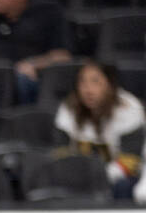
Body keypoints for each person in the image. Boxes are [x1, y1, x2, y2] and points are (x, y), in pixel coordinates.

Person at [54, 62, 145, 200]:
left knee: (124, 186)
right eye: (82, 82)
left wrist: (99, 177)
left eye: (95, 81)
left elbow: (131, 161)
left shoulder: (129, 109)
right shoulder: (68, 108)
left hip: (118, 176)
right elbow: (60, 152)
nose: (88, 89)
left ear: (110, 85)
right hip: (78, 175)